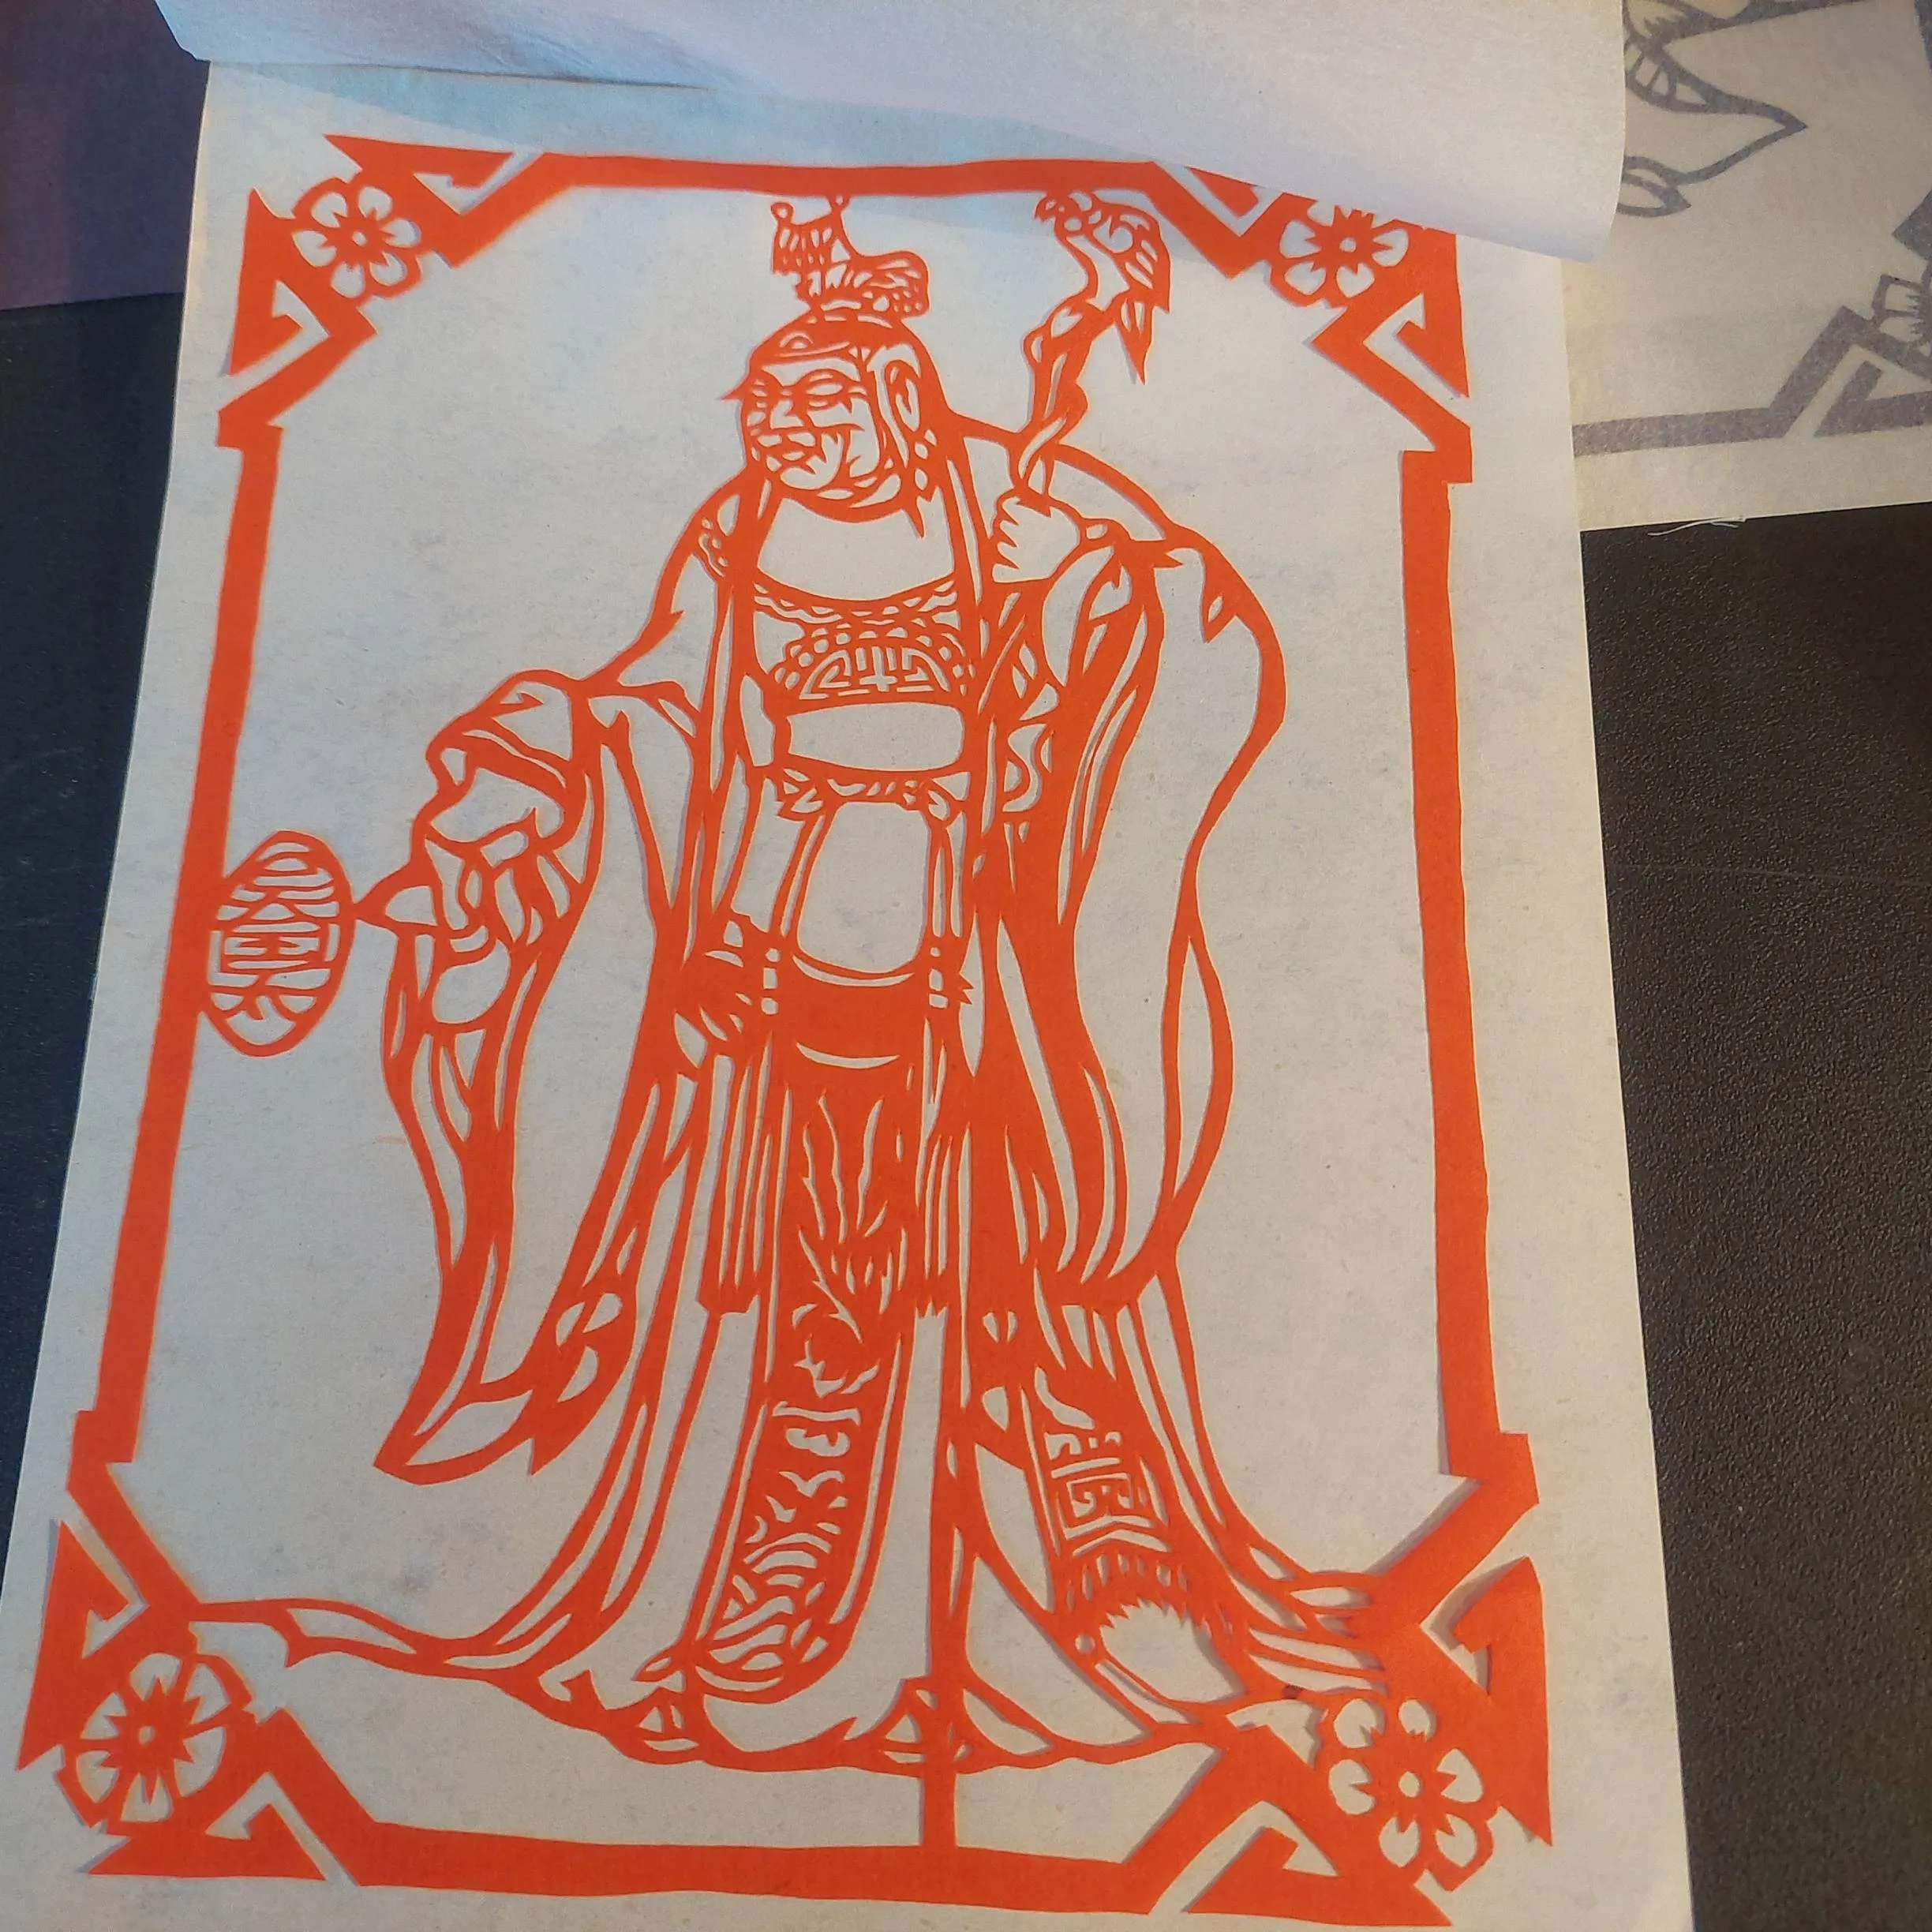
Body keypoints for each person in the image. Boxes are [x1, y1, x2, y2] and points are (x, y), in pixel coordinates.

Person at [324, 196, 1370, 1781]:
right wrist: (555, 749)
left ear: (893, 393)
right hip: (800, 908)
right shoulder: (738, 531)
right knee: (826, 1243)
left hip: (994, 918)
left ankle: (1084, 1497)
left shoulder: (1019, 493)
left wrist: (1090, 582)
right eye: (768, 406)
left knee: (1034, 1208)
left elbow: (1188, 615)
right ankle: (797, 1529)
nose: (787, 432)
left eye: (818, 402)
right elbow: (669, 703)